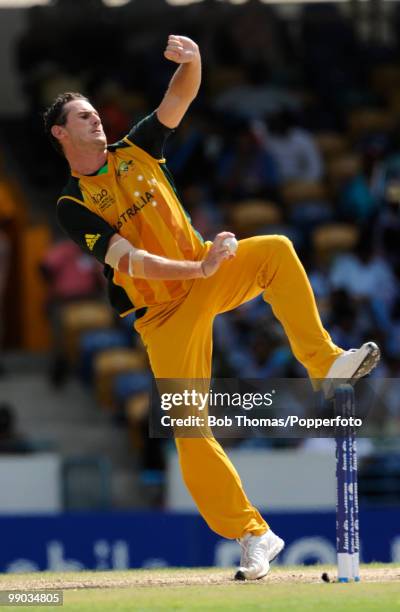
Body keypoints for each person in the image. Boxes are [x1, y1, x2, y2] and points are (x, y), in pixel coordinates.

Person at [44, 35, 380, 581]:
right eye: (83, 117)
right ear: (61, 133)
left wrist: (195, 61)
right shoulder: (70, 204)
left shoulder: (139, 148)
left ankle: (326, 363)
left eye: (95, 114)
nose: (97, 122)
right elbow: (128, 261)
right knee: (188, 427)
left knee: (275, 249)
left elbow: (178, 99)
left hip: (208, 271)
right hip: (163, 315)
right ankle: (253, 534)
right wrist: (194, 271)